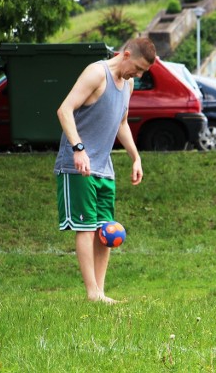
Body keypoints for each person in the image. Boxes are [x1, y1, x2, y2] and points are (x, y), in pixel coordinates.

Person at [54, 37, 156, 303]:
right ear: (126, 54)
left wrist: (135, 157)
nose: (139, 74)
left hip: (104, 168)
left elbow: (121, 123)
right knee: (86, 227)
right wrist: (78, 148)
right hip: (78, 164)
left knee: (104, 229)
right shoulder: (96, 73)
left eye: (144, 71)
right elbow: (64, 110)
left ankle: (100, 291)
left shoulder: (129, 84)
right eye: (138, 67)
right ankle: (91, 293)